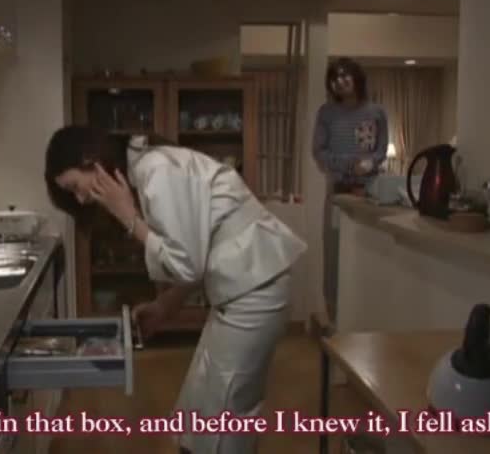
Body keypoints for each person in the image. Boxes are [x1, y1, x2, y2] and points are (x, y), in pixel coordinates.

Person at [44, 127, 307, 454]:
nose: (81, 199)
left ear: (90, 160)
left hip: (254, 287)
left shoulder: (156, 170)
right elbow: (197, 250)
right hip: (244, 285)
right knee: (199, 408)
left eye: (74, 187)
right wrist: (166, 304)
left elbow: (186, 264)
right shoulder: (149, 168)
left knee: (224, 414)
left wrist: (129, 217)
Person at [312, 57, 389, 326]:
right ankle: (334, 316)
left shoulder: (377, 112)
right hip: (338, 192)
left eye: (345, 75)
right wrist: (348, 164)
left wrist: (369, 163)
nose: (340, 82)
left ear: (357, 77)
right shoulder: (327, 113)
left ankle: (367, 315)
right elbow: (319, 151)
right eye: (334, 78)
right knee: (334, 253)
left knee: (370, 251)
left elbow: (381, 150)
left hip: (369, 194)